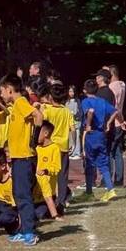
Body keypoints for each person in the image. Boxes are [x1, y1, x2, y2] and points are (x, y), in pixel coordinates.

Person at [0, 74, 43, 247]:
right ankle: (24, 229)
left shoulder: (20, 102)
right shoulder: (15, 106)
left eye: (2, 91)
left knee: (23, 195)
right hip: (18, 158)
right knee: (18, 194)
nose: (1, 94)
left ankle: (30, 232)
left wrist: (34, 138)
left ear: (9, 89)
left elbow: (38, 116)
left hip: (25, 157)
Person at [81, 79, 117, 202]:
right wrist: (108, 123)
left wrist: (88, 124)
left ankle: (89, 192)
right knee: (103, 162)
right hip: (101, 135)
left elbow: (90, 112)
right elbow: (115, 111)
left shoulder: (86, 101)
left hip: (91, 135)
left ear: (85, 90)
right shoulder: (102, 101)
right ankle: (110, 189)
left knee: (89, 162)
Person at [38, 83, 73, 211]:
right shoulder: (66, 111)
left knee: (48, 174)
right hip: (63, 146)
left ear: (50, 97)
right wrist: (73, 143)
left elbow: (40, 123)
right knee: (62, 175)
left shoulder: (47, 110)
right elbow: (72, 128)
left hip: (51, 147)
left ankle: (49, 200)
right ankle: (61, 202)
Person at [34, 120, 61, 220]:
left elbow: (56, 168)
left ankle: (55, 208)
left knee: (39, 215)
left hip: (47, 194)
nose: (35, 135)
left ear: (46, 133)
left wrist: (46, 171)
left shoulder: (54, 148)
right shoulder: (36, 148)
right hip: (35, 192)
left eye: (37, 132)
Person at [104, 64, 125, 187]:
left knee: (109, 151)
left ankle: (108, 178)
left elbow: (114, 107)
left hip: (113, 122)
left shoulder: (111, 87)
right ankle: (119, 179)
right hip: (119, 121)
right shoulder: (122, 85)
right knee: (117, 152)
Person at [66, 85, 82, 159]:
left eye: (72, 91)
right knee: (70, 137)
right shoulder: (66, 101)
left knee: (77, 137)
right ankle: (71, 152)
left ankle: (77, 153)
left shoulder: (78, 101)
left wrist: (75, 115)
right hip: (68, 122)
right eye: (70, 91)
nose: (71, 93)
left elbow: (80, 111)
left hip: (76, 122)